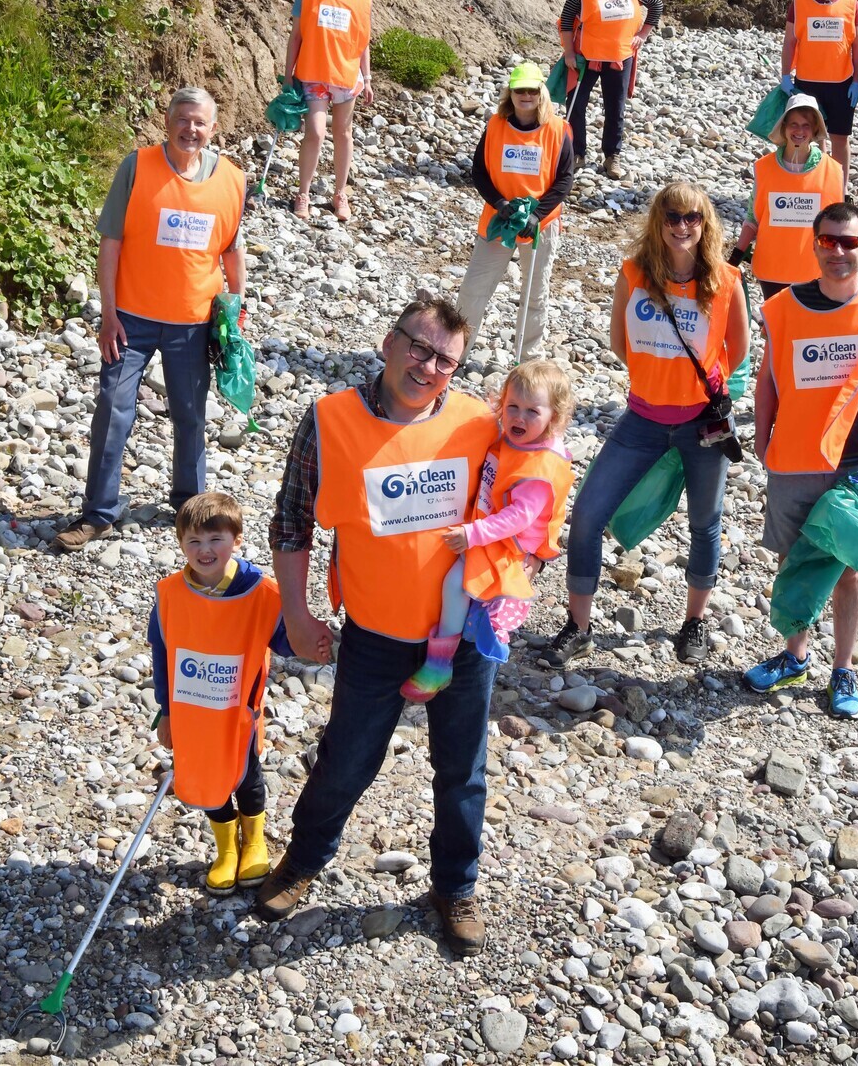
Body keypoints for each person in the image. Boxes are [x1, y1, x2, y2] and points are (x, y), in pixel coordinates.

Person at [258, 298, 502, 954]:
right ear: (389, 343)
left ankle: (455, 885)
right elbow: (292, 521)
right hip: (374, 635)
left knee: (462, 770)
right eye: (419, 348)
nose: (429, 367)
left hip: (463, 636)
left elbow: (533, 489)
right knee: (345, 759)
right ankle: (304, 858)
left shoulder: (480, 423)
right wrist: (296, 612)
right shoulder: (329, 419)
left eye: (446, 359)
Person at [542, 183, 748, 669]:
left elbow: (738, 352)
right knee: (587, 515)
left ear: (705, 224)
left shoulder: (725, 280)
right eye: (672, 217)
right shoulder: (634, 273)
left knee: (705, 523)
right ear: (658, 222)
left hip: (703, 423)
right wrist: (659, 374)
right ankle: (578, 628)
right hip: (642, 419)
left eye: (692, 217)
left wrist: (696, 382)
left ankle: (694, 622)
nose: (682, 226)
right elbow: (620, 343)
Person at [53, 89, 247, 551]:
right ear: (167, 121)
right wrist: (108, 314)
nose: (190, 129)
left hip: (194, 322)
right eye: (183, 119)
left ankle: (190, 507)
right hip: (131, 320)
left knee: (190, 416)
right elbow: (110, 244)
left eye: (199, 122)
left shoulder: (232, 180)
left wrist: (236, 313)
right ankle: (98, 514)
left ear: (213, 128)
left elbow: (232, 251)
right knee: (112, 409)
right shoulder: (137, 167)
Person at [742, 202, 858, 720]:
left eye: (849, 242)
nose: (838, 250)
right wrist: (763, 439)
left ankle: (843, 667)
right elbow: (768, 379)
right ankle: (795, 656)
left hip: (854, 464)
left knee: (848, 571)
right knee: (792, 560)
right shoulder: (783, 307)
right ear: (814, 245)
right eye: (828, 240)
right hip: (792, 458)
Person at [406, 360, 577, 701]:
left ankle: (442, 661)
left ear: (554, 418)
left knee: (456, 582)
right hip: (494, 533)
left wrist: (473, 534)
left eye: (532, 411)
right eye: (512, 406)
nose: (519, 418)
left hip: (509, 545)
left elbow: (520, 517)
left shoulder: (540, 466)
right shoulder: (516, 440)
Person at [149, 493, 291, 893]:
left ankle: (255, 842)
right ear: (180, 544)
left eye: (216, 539)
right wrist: (166, 711)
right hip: (191, 712)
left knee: (247, 775)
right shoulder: (169, 594)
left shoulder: (262, 592)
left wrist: (312, 636)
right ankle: (227, 849)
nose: (205, 550)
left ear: (237, 540)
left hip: (238, 710)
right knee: (204, 776)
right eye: (194, 541)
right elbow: (162, 653)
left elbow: (285, 641)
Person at [454, 63, 576, 362]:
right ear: (510, 92)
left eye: (532, 90)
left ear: (541, 93)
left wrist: (538, 214)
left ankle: (528, 358)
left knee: (535, 294)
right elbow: (479, 172)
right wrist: (500, 204)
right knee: (473, 289)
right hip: (499, 220)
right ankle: (455, 353)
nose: (526, 95)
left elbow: (564, 179)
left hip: (540, 224)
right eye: (520, 89)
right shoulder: (496, 125)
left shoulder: (558, 129)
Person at [558, 0, 661, 181]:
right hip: (586, 56)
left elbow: (656, 5)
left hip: (620, 57)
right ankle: (576, 153)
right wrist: (569, 52)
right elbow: (566, 20)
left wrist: (643, 35)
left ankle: (612, 156)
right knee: (576, 105)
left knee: (616, 108)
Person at [283, 0, 373, 222]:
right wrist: (288, 75)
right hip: (313, 73)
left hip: (346, 75)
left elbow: (363, 43)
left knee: (343, 134)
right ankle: (303, 194)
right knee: (316, 132)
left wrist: (367, 78)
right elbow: (296, 36)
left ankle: (340, 194)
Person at [730, 94, 844, 300]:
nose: (799, 131)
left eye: (806, 125)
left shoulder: (833, 170)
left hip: (814, 274)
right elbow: (753, 219)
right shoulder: (764, 168)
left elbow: (839, 228)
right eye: (794, 124)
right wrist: (734, 259)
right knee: (775, 321)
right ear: (783, 127)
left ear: (815, 129)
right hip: (772, 271)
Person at [777, 0, 858, 185]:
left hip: (841, 84)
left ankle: (840, 189)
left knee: (840, 138)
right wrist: (785, 76)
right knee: (809, 137)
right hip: (807, 83)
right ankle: (815, 184)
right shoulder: (799, 2)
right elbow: (789, 41)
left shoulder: (852, 4)